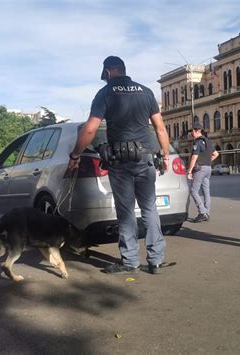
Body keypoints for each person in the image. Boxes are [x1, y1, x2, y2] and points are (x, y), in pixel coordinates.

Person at [68, 56, 170, 274]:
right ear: (123, 70)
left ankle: (130, 261)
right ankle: (156, 260)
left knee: (125, 212)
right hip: (145, 158)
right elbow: (160, 128)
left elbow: (89, 129)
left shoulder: (106, 93)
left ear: (107, 72)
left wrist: (75, 154)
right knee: (150, 208)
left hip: (120, 160)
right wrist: (166, 155)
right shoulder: (146, 91)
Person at [187, 122, 219, 222]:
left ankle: (202, 212)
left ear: (197, 131)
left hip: (199, 169)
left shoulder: (197, 142)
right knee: (206, 191)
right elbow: (216, 154)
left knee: (193, 190)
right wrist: (208, 161)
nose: (191, 133)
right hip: (208, 168)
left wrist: (189, 171)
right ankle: (207, 212)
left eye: (192, 131)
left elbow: (194, 157)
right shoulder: (208, 142)